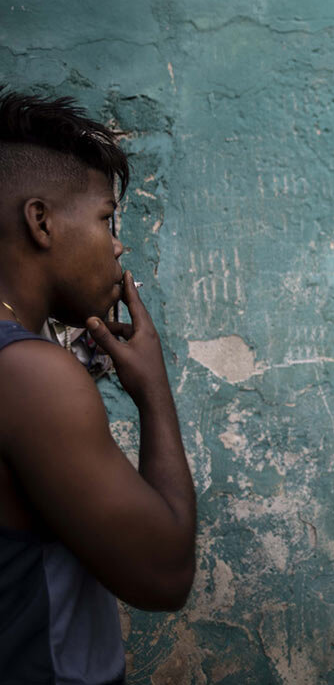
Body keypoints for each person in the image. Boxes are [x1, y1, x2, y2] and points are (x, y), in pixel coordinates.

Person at [0, 91, 197, 682]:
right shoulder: (29, 375)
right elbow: (164, 576)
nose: (117, 245)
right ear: (41, 222)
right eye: (106, 219)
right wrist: (155, 393)